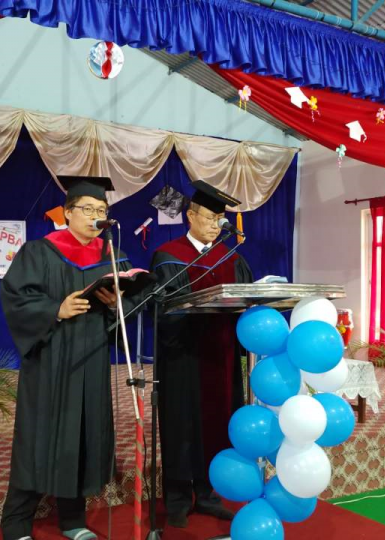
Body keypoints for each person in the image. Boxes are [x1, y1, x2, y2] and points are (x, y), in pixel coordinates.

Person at [0, 175, 140, 540]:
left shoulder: (111, 256)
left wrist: (116, 305)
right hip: (51, 359)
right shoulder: (39, 251)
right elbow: (16, 298)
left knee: (81, 436)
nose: (95, 216)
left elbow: (130, 311)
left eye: (101, 210)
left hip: (91, 358)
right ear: (67, 212)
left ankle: (73, 520)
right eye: (87, 209)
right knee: (39, 436)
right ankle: (16, 523)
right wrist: (55, 310)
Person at [151, 180, 253, 528]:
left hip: (220, 359)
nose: (214, 225)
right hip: (183, 358)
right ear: (190, 216)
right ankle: (178, 498)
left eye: (219, 220)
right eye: (209, 218)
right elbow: (163, 311)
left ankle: (209, 494)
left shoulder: (232, 259)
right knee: (181, 425)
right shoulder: (169, 256)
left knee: (217, 424)